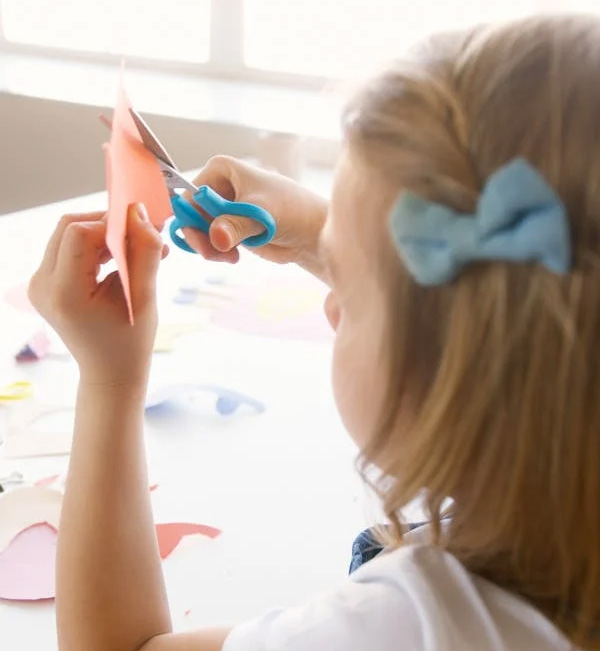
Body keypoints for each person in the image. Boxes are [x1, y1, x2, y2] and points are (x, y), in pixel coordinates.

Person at [28, 13, 600, 651]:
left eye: (350, 297)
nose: (330, 307)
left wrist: (110, 380)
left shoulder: (417, 628)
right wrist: (327, 236)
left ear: (458, 381)